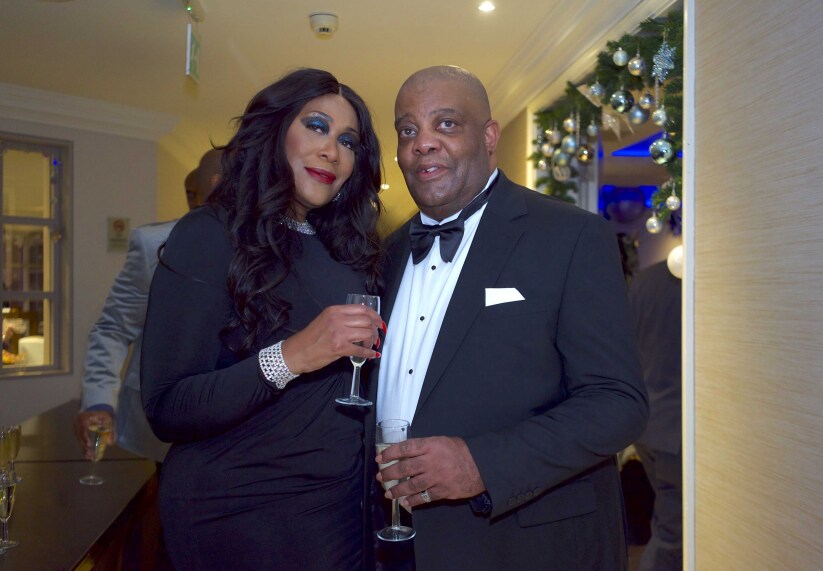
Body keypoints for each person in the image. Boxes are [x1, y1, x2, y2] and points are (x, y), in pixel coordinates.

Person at [373, 65, 648, 570]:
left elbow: (617, 402)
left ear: (489, 137)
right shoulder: (384, 255)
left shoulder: (571, 236)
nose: (423, 143)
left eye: (446, 124)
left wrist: (482, 464)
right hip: (398, 544)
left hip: (526, 546)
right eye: (407, 130)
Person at [140, 68, 385, 571]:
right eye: (316, 126)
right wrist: (293, 356)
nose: (332, 151)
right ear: (274, 131)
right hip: (242, 512)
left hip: (341, 509)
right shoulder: (211, 233)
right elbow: (167, 407)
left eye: (347, 141)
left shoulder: (349, 249)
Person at [74, 149, 222, 463]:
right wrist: (99, 401)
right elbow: (114, 329)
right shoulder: (155, 244)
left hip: (232, 439)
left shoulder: (272, 248)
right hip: (154, 432)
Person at [628, 259, 683, 571]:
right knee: (674, 531)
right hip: (677, 429)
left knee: (669, 524)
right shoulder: (700, 279)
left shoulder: (644, 280)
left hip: (648, 422)